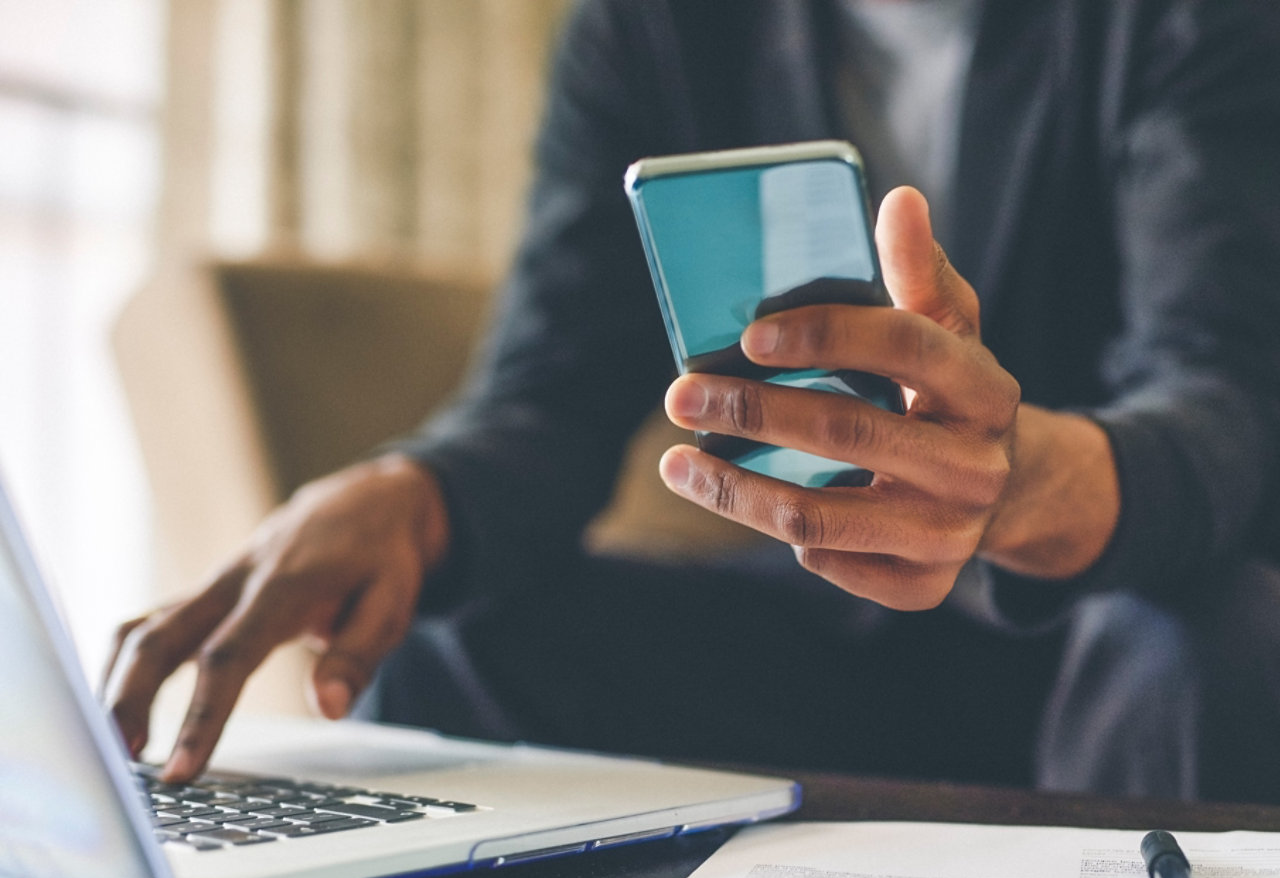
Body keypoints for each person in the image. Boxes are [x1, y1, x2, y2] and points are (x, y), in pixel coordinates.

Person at [104, 0, 1280, 802]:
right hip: (818, 633)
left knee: (1203, 643)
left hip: (1091, 621)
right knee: (445, 648)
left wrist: (1015, 486)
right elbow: (550, 388)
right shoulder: (650, 23)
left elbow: (1221, 391)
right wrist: (412, 493)